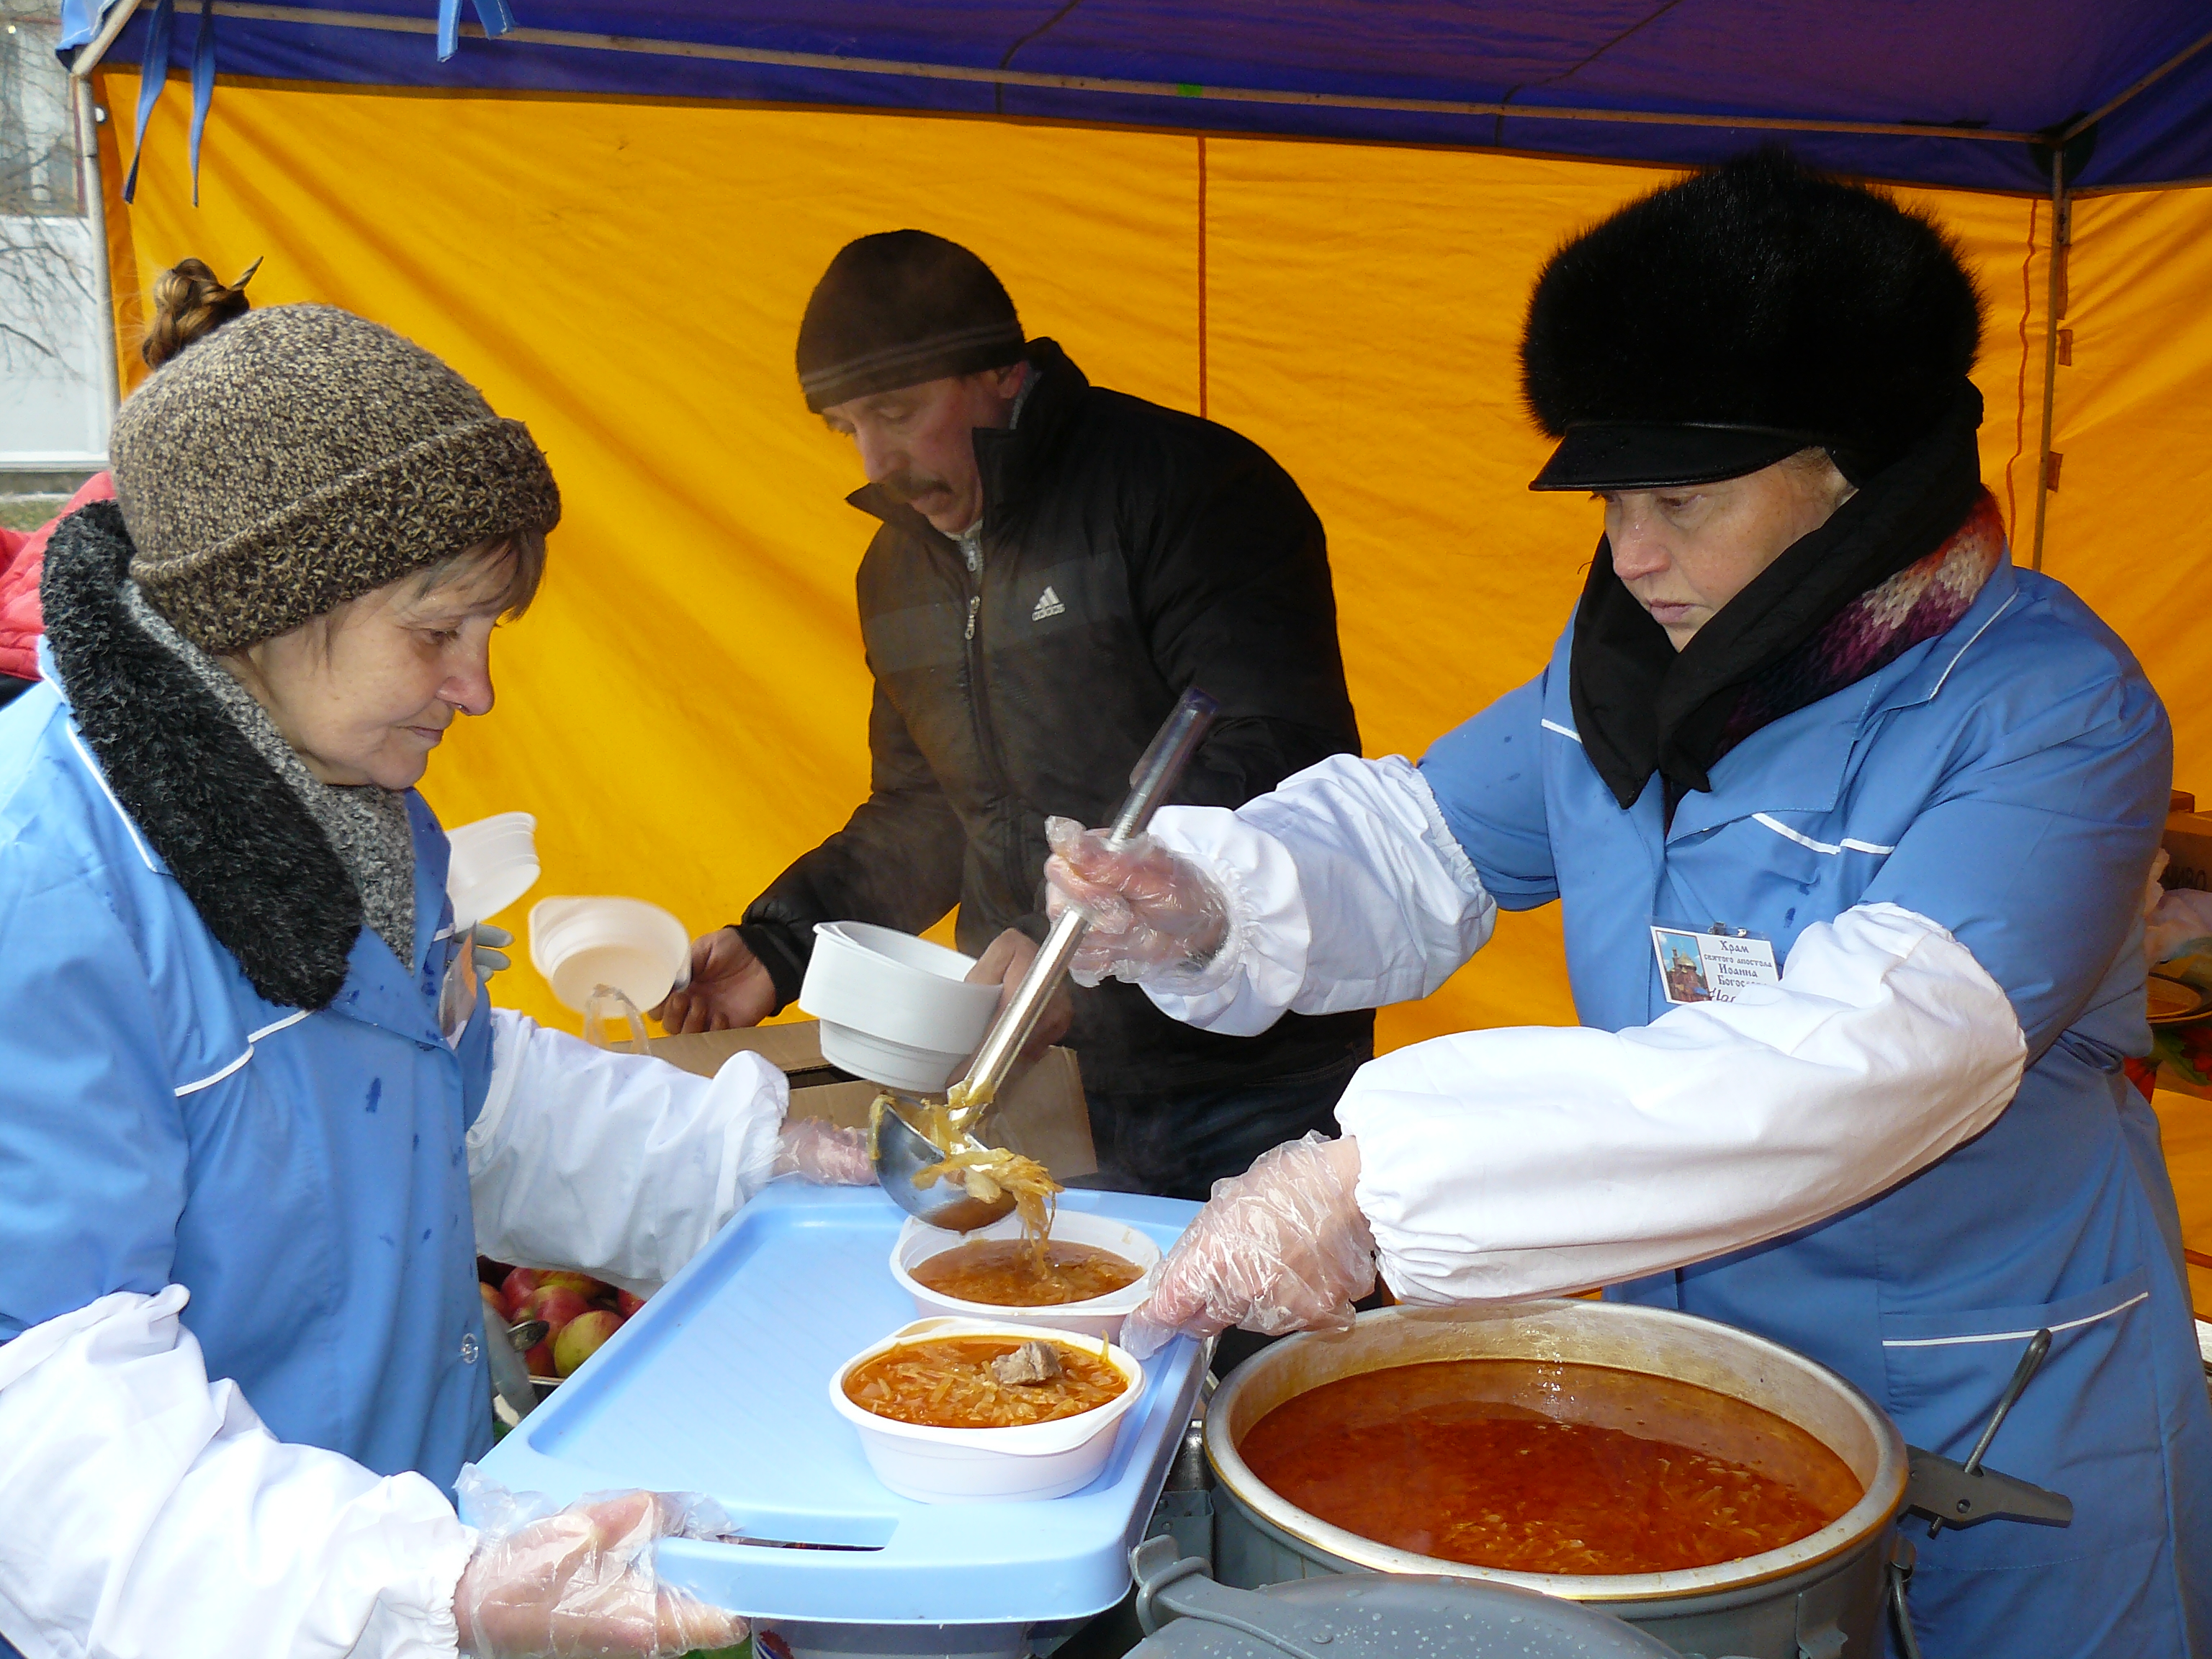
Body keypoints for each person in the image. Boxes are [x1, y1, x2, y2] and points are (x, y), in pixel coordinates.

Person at [1044, 152, 2212, 1652]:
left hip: (2001, 1396)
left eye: (1682, 499)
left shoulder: (2050, 711)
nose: (1630, 553)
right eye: (1610, 500)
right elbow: (1421, 842)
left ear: (1861, 486)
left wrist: (1376, 1183)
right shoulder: (1622, 678)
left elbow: (1877, 1061)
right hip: (1705, 1383)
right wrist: (1210, 898)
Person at [0, 266, 873, 1659]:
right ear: (271, 611)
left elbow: (456, 1095)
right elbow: (40, 1418)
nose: (477, 692)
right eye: (437, 632)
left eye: (489, 634)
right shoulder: (41, 895)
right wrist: (419, 1596)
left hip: (409, 1520)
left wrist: (749, 1168)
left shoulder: (352, 804)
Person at [658, 230, 1372, 1198]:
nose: (878, 461)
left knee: (1255, 1349)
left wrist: (1073, 948)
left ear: (1002, 370)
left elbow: (1275, 757)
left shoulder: (1190, 489)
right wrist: (781, 943)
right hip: (1034, 1073)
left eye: (899, 413)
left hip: (1243, 1073)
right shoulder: (896, 571)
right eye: (846, 429)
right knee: (1051, 1345)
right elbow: (923, 812)